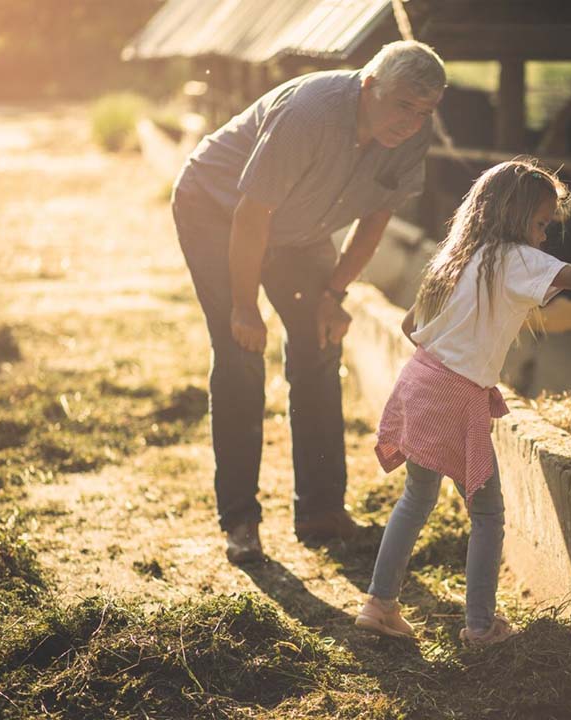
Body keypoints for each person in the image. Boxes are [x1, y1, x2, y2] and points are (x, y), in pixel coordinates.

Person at [356, 158, 571, 645]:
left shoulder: (455, 255)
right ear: (515, 217)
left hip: (419, 379)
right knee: (488, 513)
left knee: (416, 498)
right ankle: (480, 626)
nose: (543, 237)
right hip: (455, 392)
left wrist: (455, 346)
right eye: (540, 224)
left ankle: (378, 603)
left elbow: (409, 325)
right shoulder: (512, 258)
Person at [170, 41, 446, 563]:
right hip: (219, 210)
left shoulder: (411, 133)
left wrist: (332, 295)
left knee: (320, 343)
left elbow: (375, 222)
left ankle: (320, 511)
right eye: (403, 106)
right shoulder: (310, 114)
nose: (411, 122)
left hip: (300, 226)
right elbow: (251, 217)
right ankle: (241, 522)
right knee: (241, 353)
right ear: (370, 87)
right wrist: (245, 307)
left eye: (424, 111)